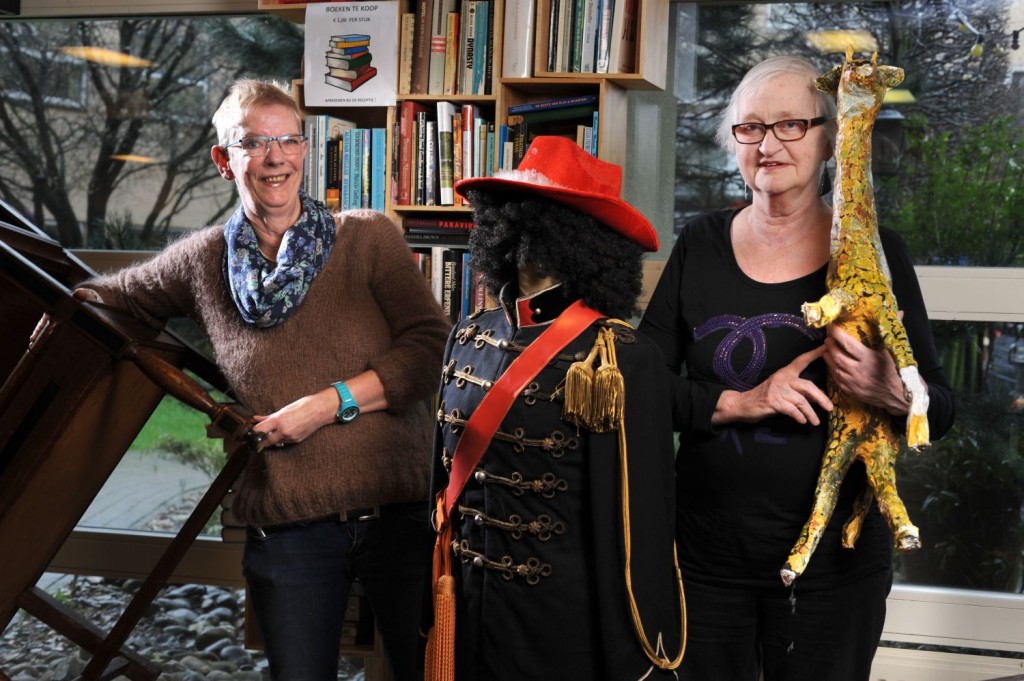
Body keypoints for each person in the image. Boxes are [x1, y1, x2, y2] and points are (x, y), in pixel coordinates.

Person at [65, 79, 451, 680]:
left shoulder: (367, 237)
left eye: (288, 140)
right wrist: (59, 309)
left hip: (401, 514)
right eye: (254, 143)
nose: (275, 157)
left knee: (433, 672)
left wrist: (324, 406)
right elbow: (107, 300)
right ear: (224, 160)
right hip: (289, 530)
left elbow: (431, 349)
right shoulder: (202, 260)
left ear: (304, 150)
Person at [638, 56, 955, 681]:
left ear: (829, 139)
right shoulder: (699, 243)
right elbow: (641, 387)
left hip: (836, 572)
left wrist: (891, 390)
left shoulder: (875, 252)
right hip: (705, 563)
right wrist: (740, 401)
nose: (768, 145)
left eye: (790, 125)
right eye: (750, 127)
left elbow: (940, 409)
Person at [428, 136, 685, 680]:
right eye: (520, 212)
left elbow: (639, 526)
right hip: (467, 611)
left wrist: (634, 657)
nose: (532, 230)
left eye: (550, 217)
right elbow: (440, 486)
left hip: (561, 631)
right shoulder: (467, 337)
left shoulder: (621, 358)